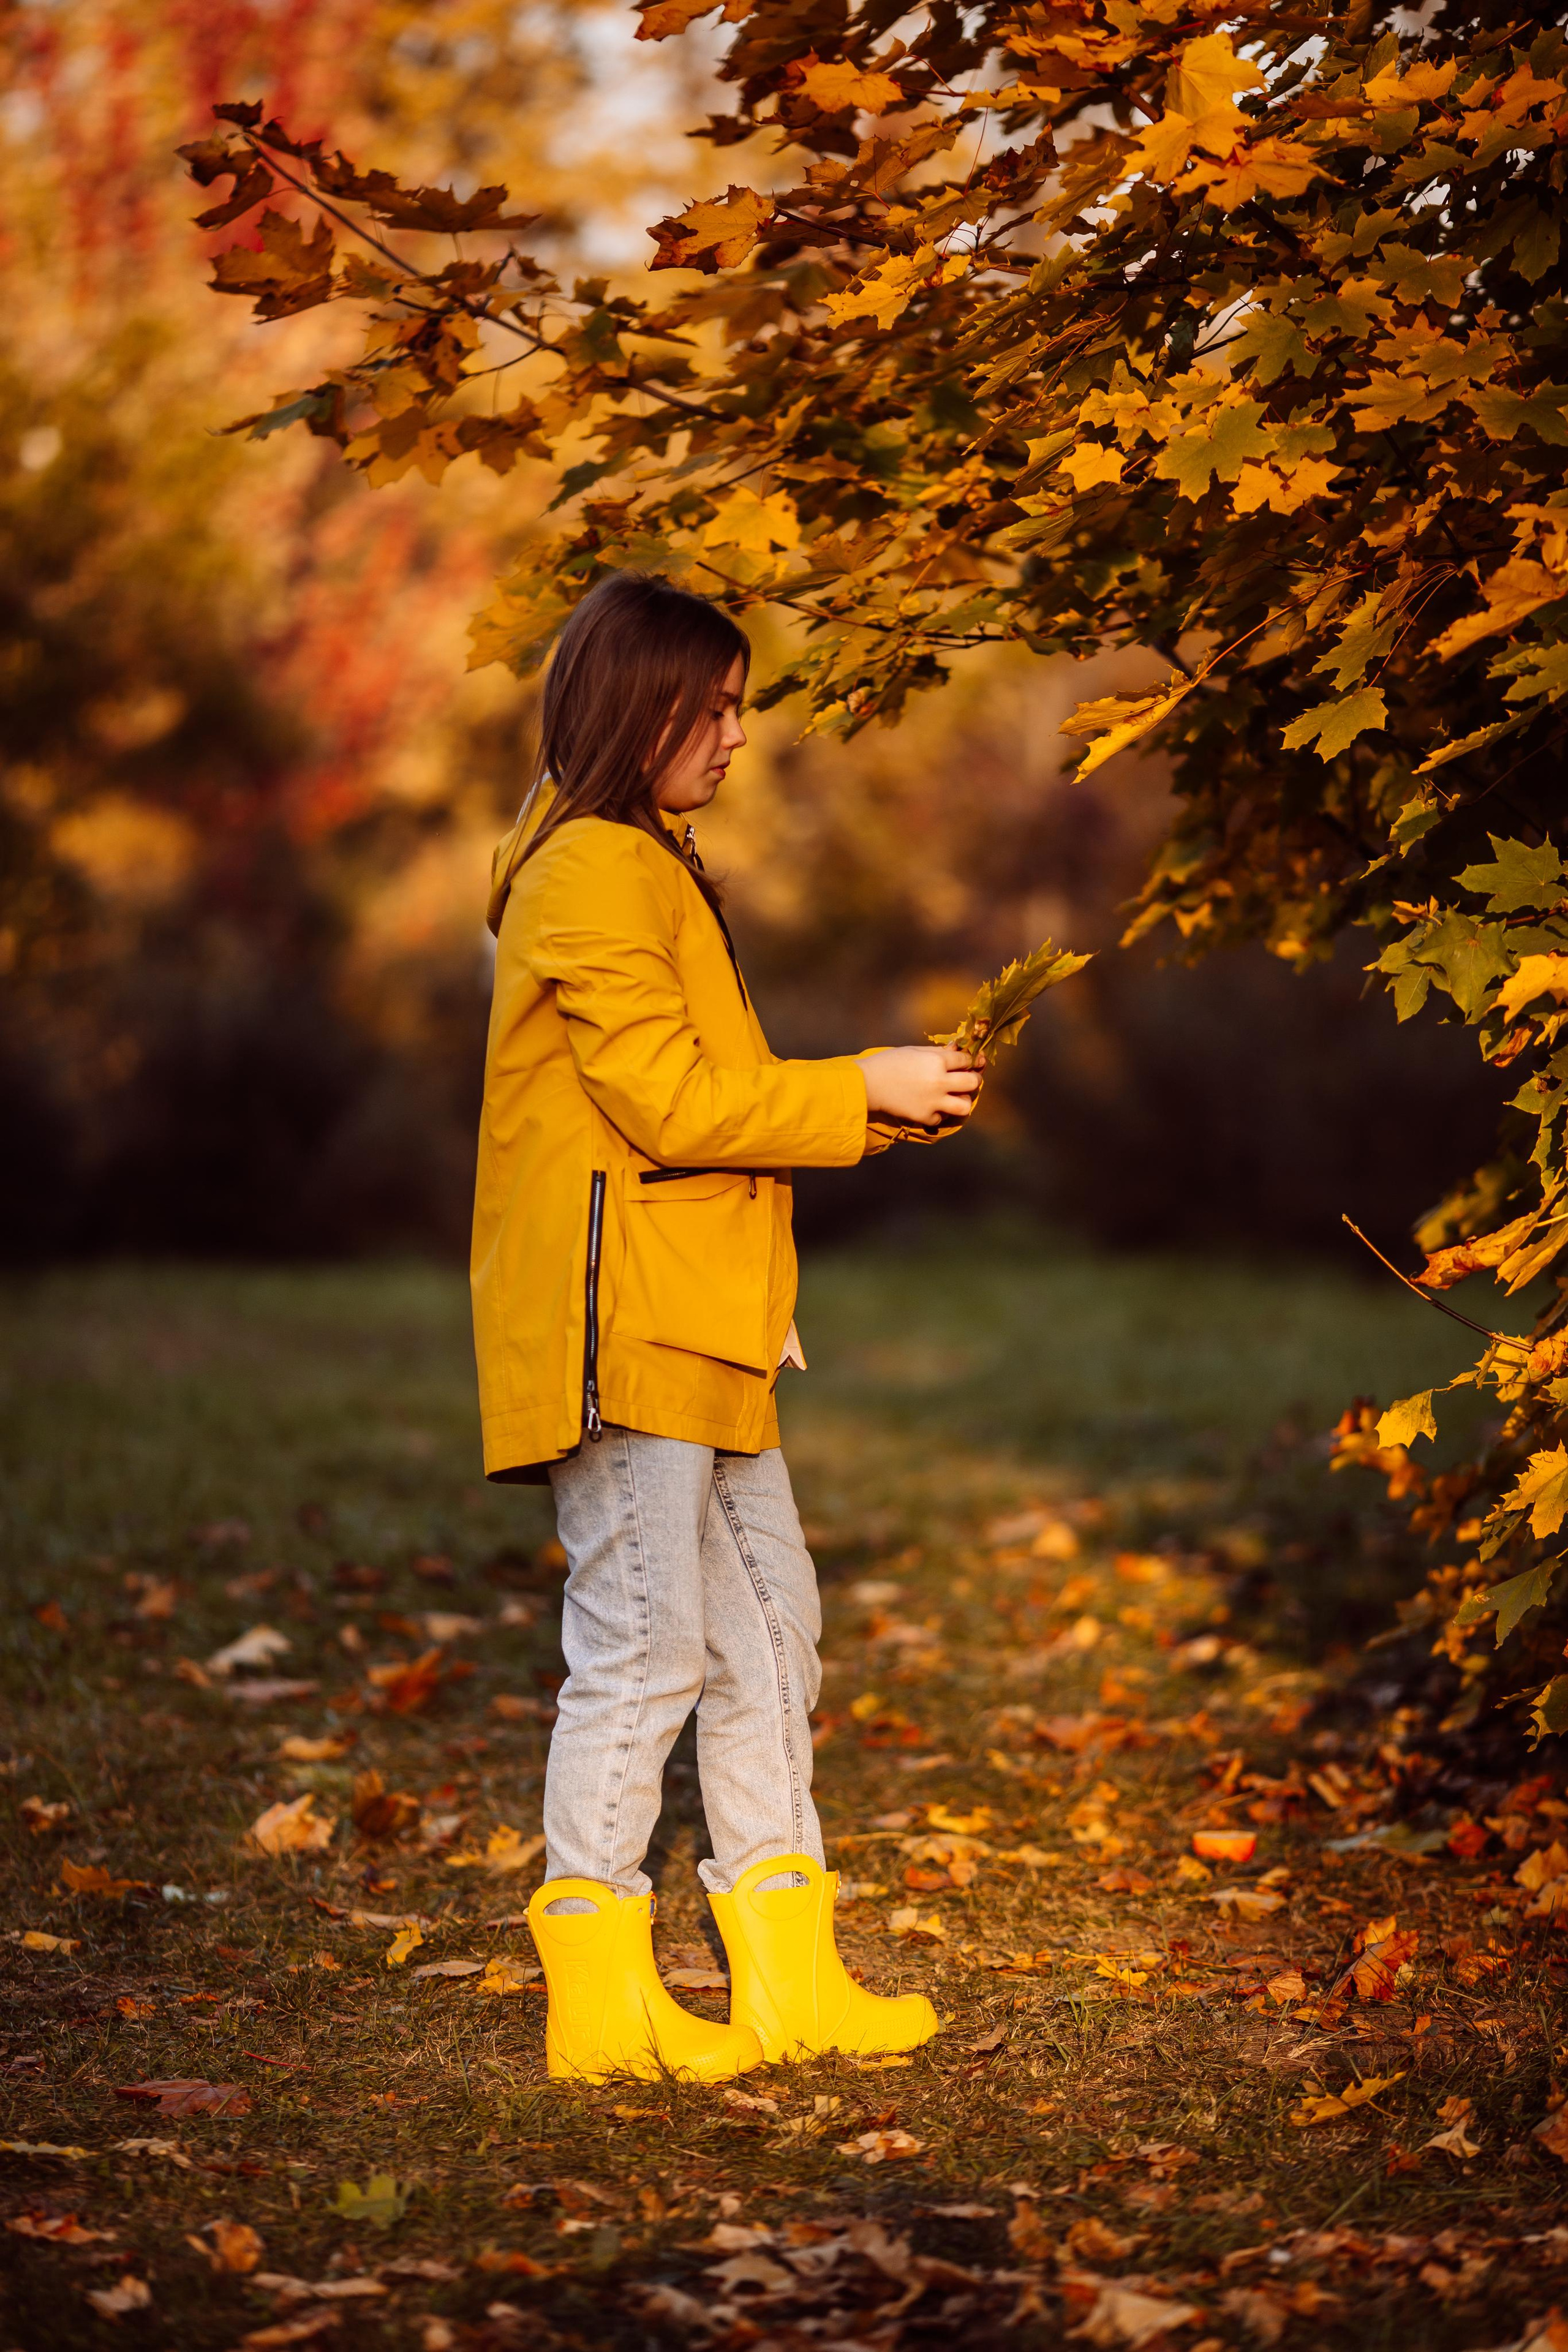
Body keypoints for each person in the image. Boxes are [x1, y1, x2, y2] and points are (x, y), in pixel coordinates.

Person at [472, 571, 981, 2081]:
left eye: (738, 705)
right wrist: (856, 1086)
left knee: (770, 1639)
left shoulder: (646, 860)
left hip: (705, 1318)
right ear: (642, 710)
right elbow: (668, 1102)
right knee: (644, 1648)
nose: (737, 735)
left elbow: (704, 1112)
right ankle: (600, 2001)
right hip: (621, 1322)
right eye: (716, 707)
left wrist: (878, 1120)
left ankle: (789, 1979)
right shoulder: (583, 874)